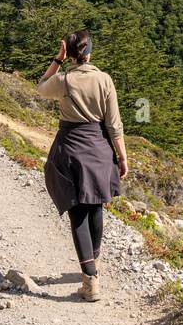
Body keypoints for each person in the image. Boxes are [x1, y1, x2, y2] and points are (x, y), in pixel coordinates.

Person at [35, 29, 128, 302]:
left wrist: (57, 60)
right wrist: (122, 156)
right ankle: (93, 266)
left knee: (77, 211)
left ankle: (90, 281)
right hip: (98, 148)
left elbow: (41, 88)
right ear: (89, 53)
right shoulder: (105, 80)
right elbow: (113, 124)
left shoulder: (63, 80)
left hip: (69, 148)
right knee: (95, 205)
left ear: (71, 52)